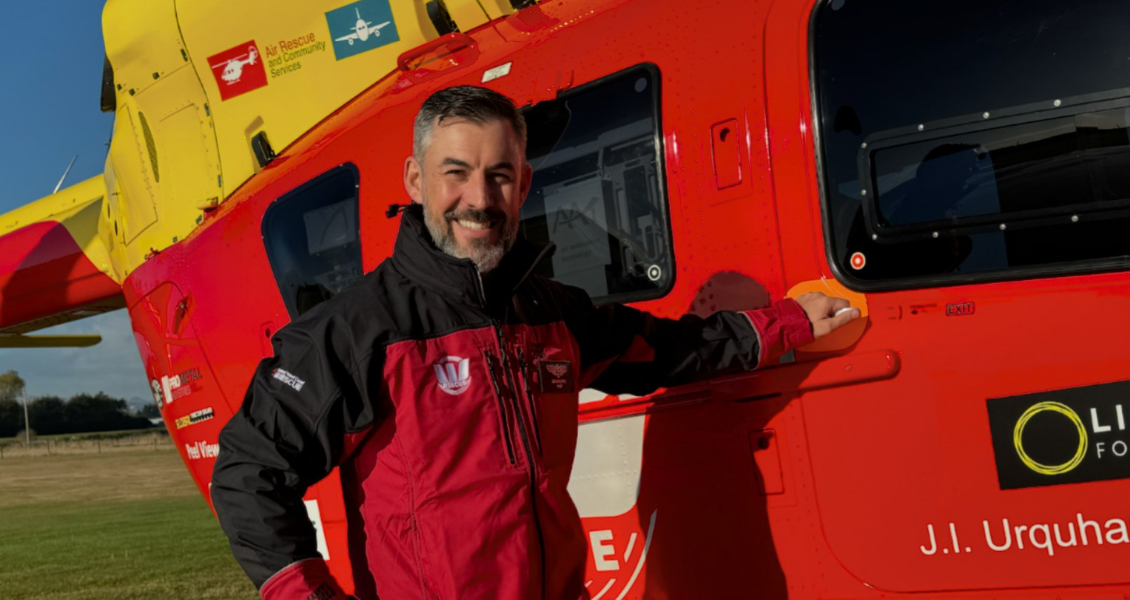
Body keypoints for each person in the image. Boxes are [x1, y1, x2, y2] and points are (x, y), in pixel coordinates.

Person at [211, 86, 859, 600]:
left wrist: (788, 324)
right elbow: (249, 472)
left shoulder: (553, 312)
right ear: (415, 181)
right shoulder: (355, 329)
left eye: (499, 175)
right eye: (455, 173)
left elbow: (666, 350)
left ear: (523, 186)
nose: (478, 198)